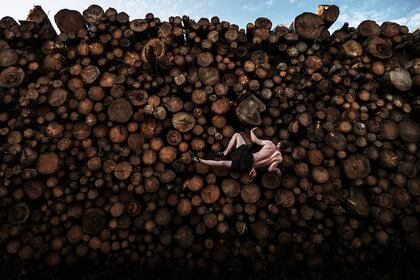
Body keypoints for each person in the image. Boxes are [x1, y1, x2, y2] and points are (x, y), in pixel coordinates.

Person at [192, 128, 284, 181]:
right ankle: (199, 160)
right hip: (248, 166)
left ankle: (224, 152)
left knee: (237, 135)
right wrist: (276, 169)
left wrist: (252, 132)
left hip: (247, 156)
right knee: (223, 163)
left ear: (279, 143)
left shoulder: (270, 144)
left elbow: (255, 140)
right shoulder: (279, 158)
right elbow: (270, 169)